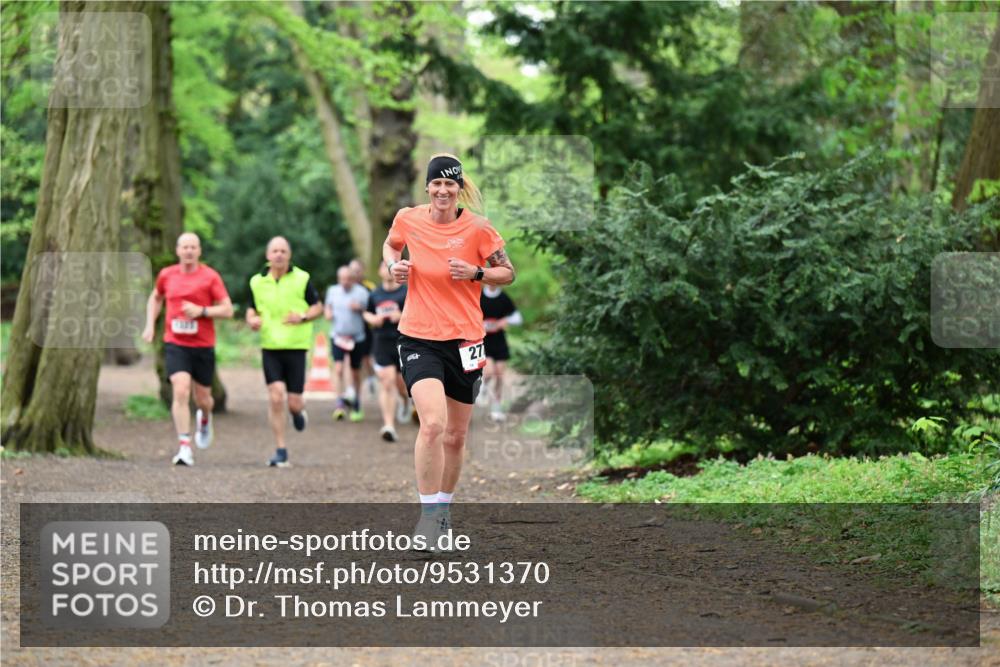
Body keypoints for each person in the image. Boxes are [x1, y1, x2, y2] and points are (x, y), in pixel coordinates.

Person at [383, 153, 515, 549]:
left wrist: (476, 272)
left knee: (456, 436)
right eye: (436, 184)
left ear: (459, 189)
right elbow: (390, 249)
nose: (442, 190)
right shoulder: (408, 218)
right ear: (427, 187)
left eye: (449, 184)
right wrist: (393, 267)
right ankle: (428, 517)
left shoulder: (478, 228)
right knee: (434, 425)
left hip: (467, 341)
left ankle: (443, 510)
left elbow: (507, 273)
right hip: (419, 336)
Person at [142, 232, 233, 466]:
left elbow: (227, 309)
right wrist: (150, 325)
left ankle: (205, 418)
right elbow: (156, 298)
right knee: (180, 390)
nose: (189, 251)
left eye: (193, 247)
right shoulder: (167, 275)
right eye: (185, 247)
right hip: (176, 343)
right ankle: (184, 446)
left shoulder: (210, 277)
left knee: (203, 399)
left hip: (203, 345)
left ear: (199, 251)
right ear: (178, 250)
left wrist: (202, 311)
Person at [246, 236, 323, 467]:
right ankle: (281, 449)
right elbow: (251, 310)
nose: (279, 255)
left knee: (294, 402)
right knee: (276, 396)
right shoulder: (257, 282)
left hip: (296, 346)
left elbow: (318, 307)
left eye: (283, 251)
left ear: (289, 255)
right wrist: (252, 320)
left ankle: (298, 412)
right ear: (268, 256)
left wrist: (302, 317)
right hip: (270, 346)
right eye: (275, 251)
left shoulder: (302, 278)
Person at [362, 260, 410, 442]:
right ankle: (388, 425)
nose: (388, 270)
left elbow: (418, 313)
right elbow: (366, 312)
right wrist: (373, 319)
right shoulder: (374, 294)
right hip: (381, 342)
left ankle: (405, 401)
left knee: (401, 385)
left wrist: (402, 316)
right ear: (380, 271)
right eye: (384, 267)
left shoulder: (406, 292)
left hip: (403, 343)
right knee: (386, 381)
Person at [325, 266, 369, 422]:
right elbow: (327, 308)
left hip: (356, 337)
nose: (345, 282)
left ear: (353, 279)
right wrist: (328, 313)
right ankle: (339, 402)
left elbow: (368, 312)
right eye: (342, 279)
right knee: (338, 368)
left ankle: (356, 401)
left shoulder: (362, 292)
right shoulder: (332, 291)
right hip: (337, 336)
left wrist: (360, 308)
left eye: (348, 279)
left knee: (355, 371)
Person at [480, 285, 523, 422]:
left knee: (499, 376)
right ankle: (483, 386)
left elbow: (517, 318)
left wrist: (504, 321)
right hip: (483, 340)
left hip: (499, 341)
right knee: (489, 372)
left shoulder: (504, 298)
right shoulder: (479, 295)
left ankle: (496, 409)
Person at [349, 257, 377, 403]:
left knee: (366, 359)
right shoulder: (345, 286)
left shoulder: (370, 287)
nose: (355, 273)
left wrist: (361, 309)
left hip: (367, 329)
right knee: (350, 360)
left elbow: (375, 307)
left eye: (357, 271)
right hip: (348, 329)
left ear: (362, 272)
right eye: (352, 270)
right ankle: (351, 389)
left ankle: (371, 379)